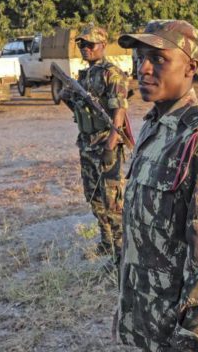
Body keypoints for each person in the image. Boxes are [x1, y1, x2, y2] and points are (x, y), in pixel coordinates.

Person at [115, 20, 198, 351]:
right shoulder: (155, 126)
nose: (143, 69)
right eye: (140, 58)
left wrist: (189, 338)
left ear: (191, 67)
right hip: (150, 317)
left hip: (184, 332)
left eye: (158, 59)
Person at [61, 25, 130, 263]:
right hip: (87, 143)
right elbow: (75, 106)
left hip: (105, 142)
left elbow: (119, 111)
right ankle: (106, 242)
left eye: (90, 44)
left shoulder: (112, 73)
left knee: (113, 202)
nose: (85, 48)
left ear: (102, 45)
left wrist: (111, 145)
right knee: (94, 197)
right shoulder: (83, 76)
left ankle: (121, 255)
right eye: (82, 44)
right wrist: (67, 94)